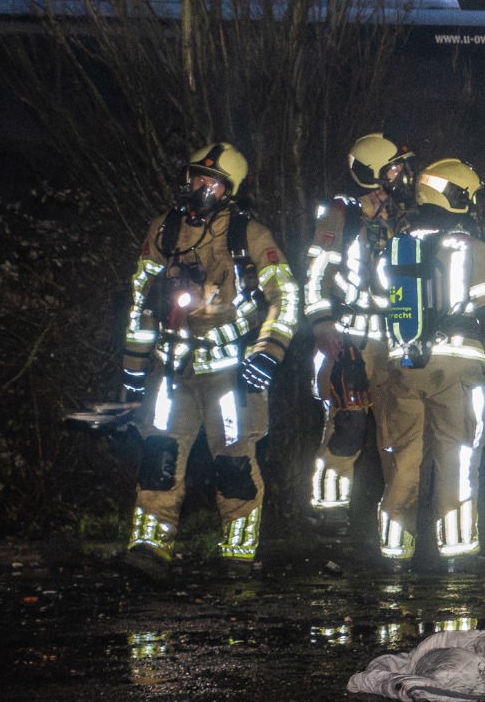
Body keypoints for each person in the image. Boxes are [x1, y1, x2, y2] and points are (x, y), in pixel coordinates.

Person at [120, 143, 299, 579]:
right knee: (158, 455)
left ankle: (237, 555)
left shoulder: (248, 236)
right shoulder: (164, 231)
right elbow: (140, 302)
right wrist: (134, 369)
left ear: (229, 191)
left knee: (234, 463)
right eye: (196, 177)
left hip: (229, 372)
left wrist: (268, 352)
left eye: (212, 182)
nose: (200, 186)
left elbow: (287, 296)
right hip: (171, 369)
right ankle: (149, 548)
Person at [368, 158, 485, 570]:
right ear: (456, 196)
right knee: (458, 458)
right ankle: (456, 552)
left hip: (404, 367)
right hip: (458, 371)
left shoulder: (392, 249)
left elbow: (379, 307)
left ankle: (394, 553)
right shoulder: (473, 249)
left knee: (404, 463)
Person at [299, 133, 418, 527]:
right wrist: (323, 325)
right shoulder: (342, 216)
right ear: (374, 173)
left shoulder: (407, 217)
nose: (402, 175)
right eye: (395, 168)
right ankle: (329, 512)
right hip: (351, 339)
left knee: (400, 431)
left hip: (398, 339)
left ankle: (397, 517)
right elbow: (316, 274)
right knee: (347, 427)